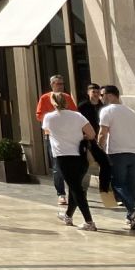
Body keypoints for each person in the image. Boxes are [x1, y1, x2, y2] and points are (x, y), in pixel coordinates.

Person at [43, 95, 97, 230]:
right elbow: (91, 134)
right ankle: (68, 216)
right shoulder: (78, 116)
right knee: (75, 187)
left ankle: (89, 222)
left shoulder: (49, 117)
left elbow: (47, 131)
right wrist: (78, 136)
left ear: (53, 103)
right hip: (81, 156)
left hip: (63, 156)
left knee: (76, 189)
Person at [97, 85, 135, 231]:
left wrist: (99, 151)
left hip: (117, 153)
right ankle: (131, 217)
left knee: (117, 184)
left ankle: (133, 211)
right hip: (133, 153)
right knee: (131, 186)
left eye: (102, 95)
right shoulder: (131, 112)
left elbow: (102, 133)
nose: (100, 98)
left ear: (110, 95)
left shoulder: (107, 111)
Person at [35, 75, 73, 205]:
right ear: (52, 85)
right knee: (57, 166)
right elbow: (39, 115)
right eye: (58, 84)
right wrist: (54, 117)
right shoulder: (45, 98)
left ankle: (73, 191)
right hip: (52, 136)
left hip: (68, 136)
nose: (61, 86)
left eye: (62, 84)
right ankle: (61, 193)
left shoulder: (67, 97)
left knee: (71, 165)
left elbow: (75, 113)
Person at [77, 83, 114, 207]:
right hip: (86, 141)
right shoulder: (82, 107)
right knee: (85, 168)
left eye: (98, 92)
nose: (96, 94)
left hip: (99, 141)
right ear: (88, 93)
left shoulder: (103, 107)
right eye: (94, 92)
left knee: (106, 165)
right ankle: (82, 195)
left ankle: (106, 195)